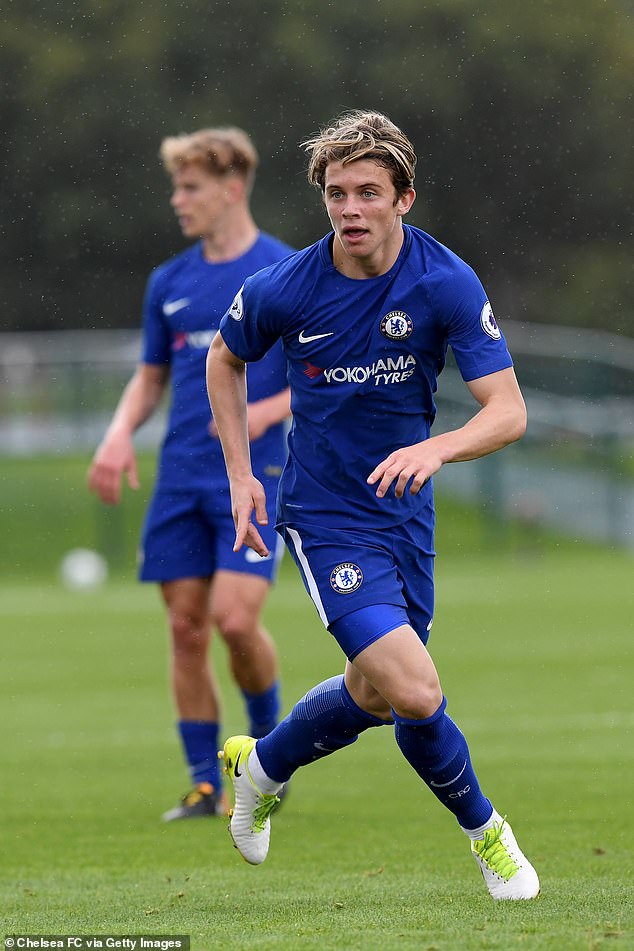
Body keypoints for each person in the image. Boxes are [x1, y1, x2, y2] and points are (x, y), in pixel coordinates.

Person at [206, 110, 540, 900]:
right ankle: (491, 836)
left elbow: (508, 410)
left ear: (404, 199)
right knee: (419, 691)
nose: (349, 208)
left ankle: (258, 768)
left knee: (377, 695)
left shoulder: (443, 281)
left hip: (404, 517)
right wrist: (241, 473)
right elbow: (225, 360)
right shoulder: (287, 285)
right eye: (336, 192)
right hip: (325, 517)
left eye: (367, 192)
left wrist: (435, 447)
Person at [88, 127, 293, 821]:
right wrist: (118, 435)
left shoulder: (285, 271)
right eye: (176, 186)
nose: (178, 200)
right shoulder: (168, 282)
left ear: (232, 189)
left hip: (254, 472)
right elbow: (150, 378)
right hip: (180, 474)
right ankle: (207, 782)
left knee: (236, 620)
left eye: (191, 187)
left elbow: (324, 377)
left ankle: (271, 755)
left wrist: (266, 410)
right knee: (185, 627)